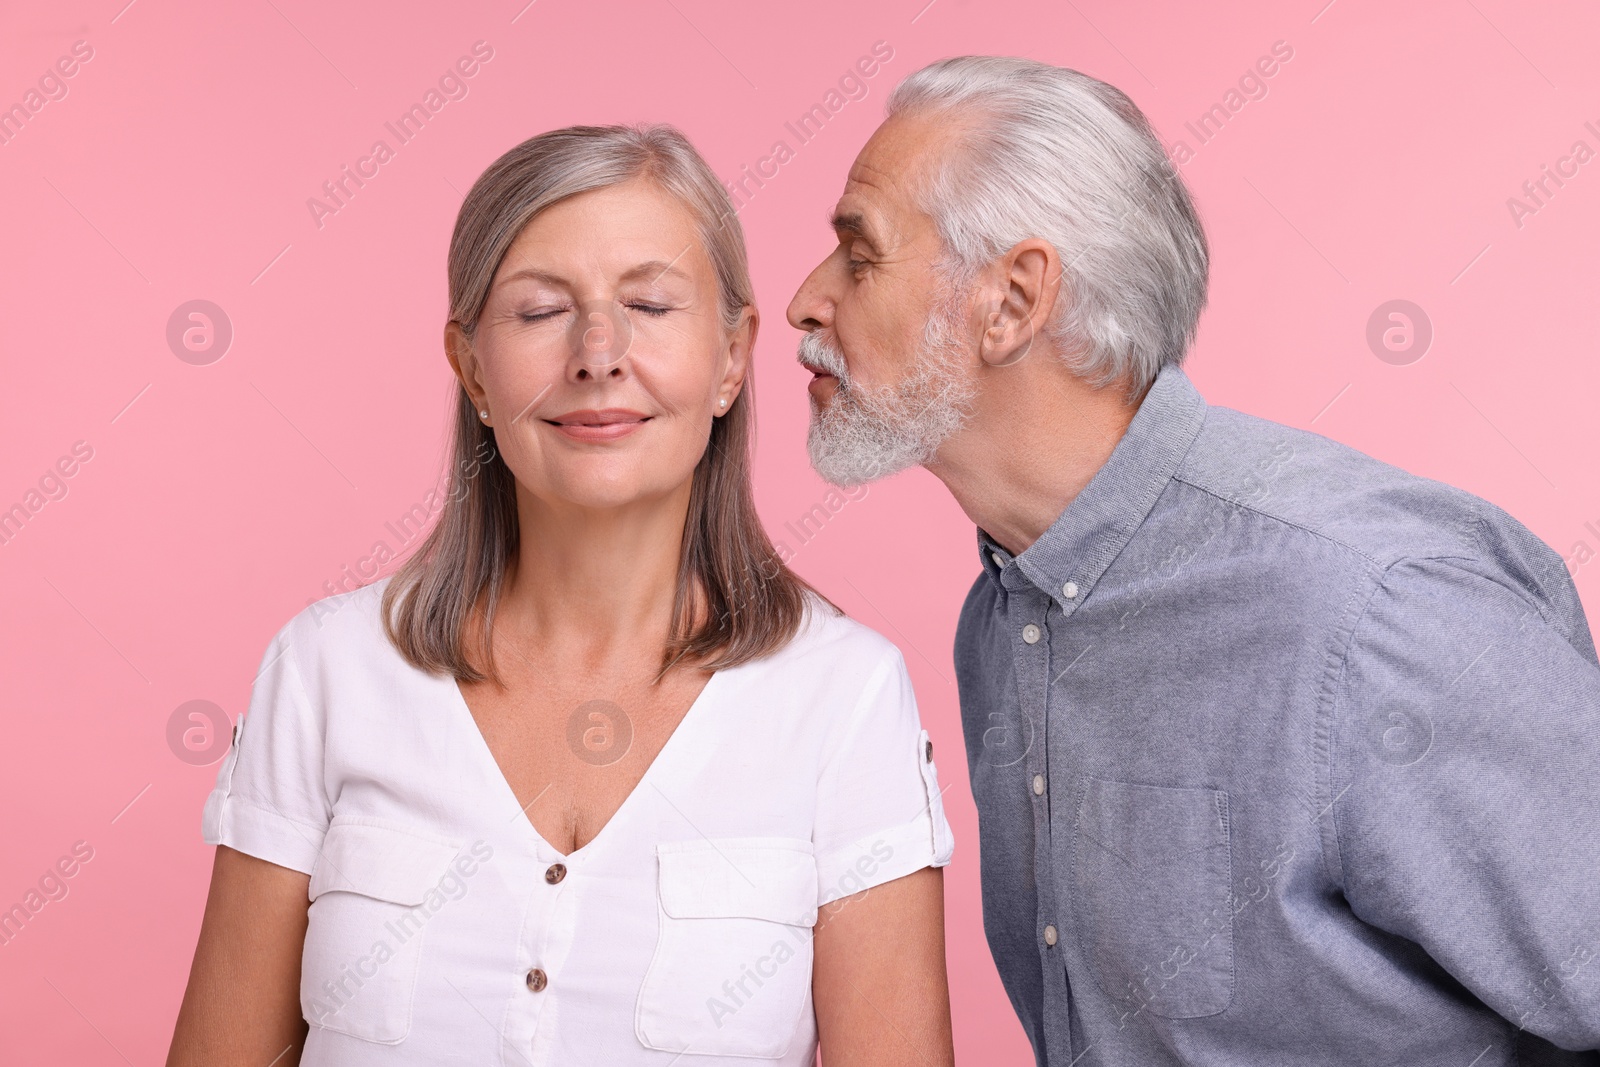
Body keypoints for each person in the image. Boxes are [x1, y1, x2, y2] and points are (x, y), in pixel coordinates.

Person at [786, 54, 1600, 1067]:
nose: (804, 304)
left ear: (1011, 299)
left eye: (858, 256)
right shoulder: (1000, 616)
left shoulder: (1374, 607)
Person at [166, 124, 956, 1067]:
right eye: (541, 312)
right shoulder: (325, 670)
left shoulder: (845, 697)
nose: (597, 353)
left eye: (651, 305)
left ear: (733, 359)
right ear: (471, 368)